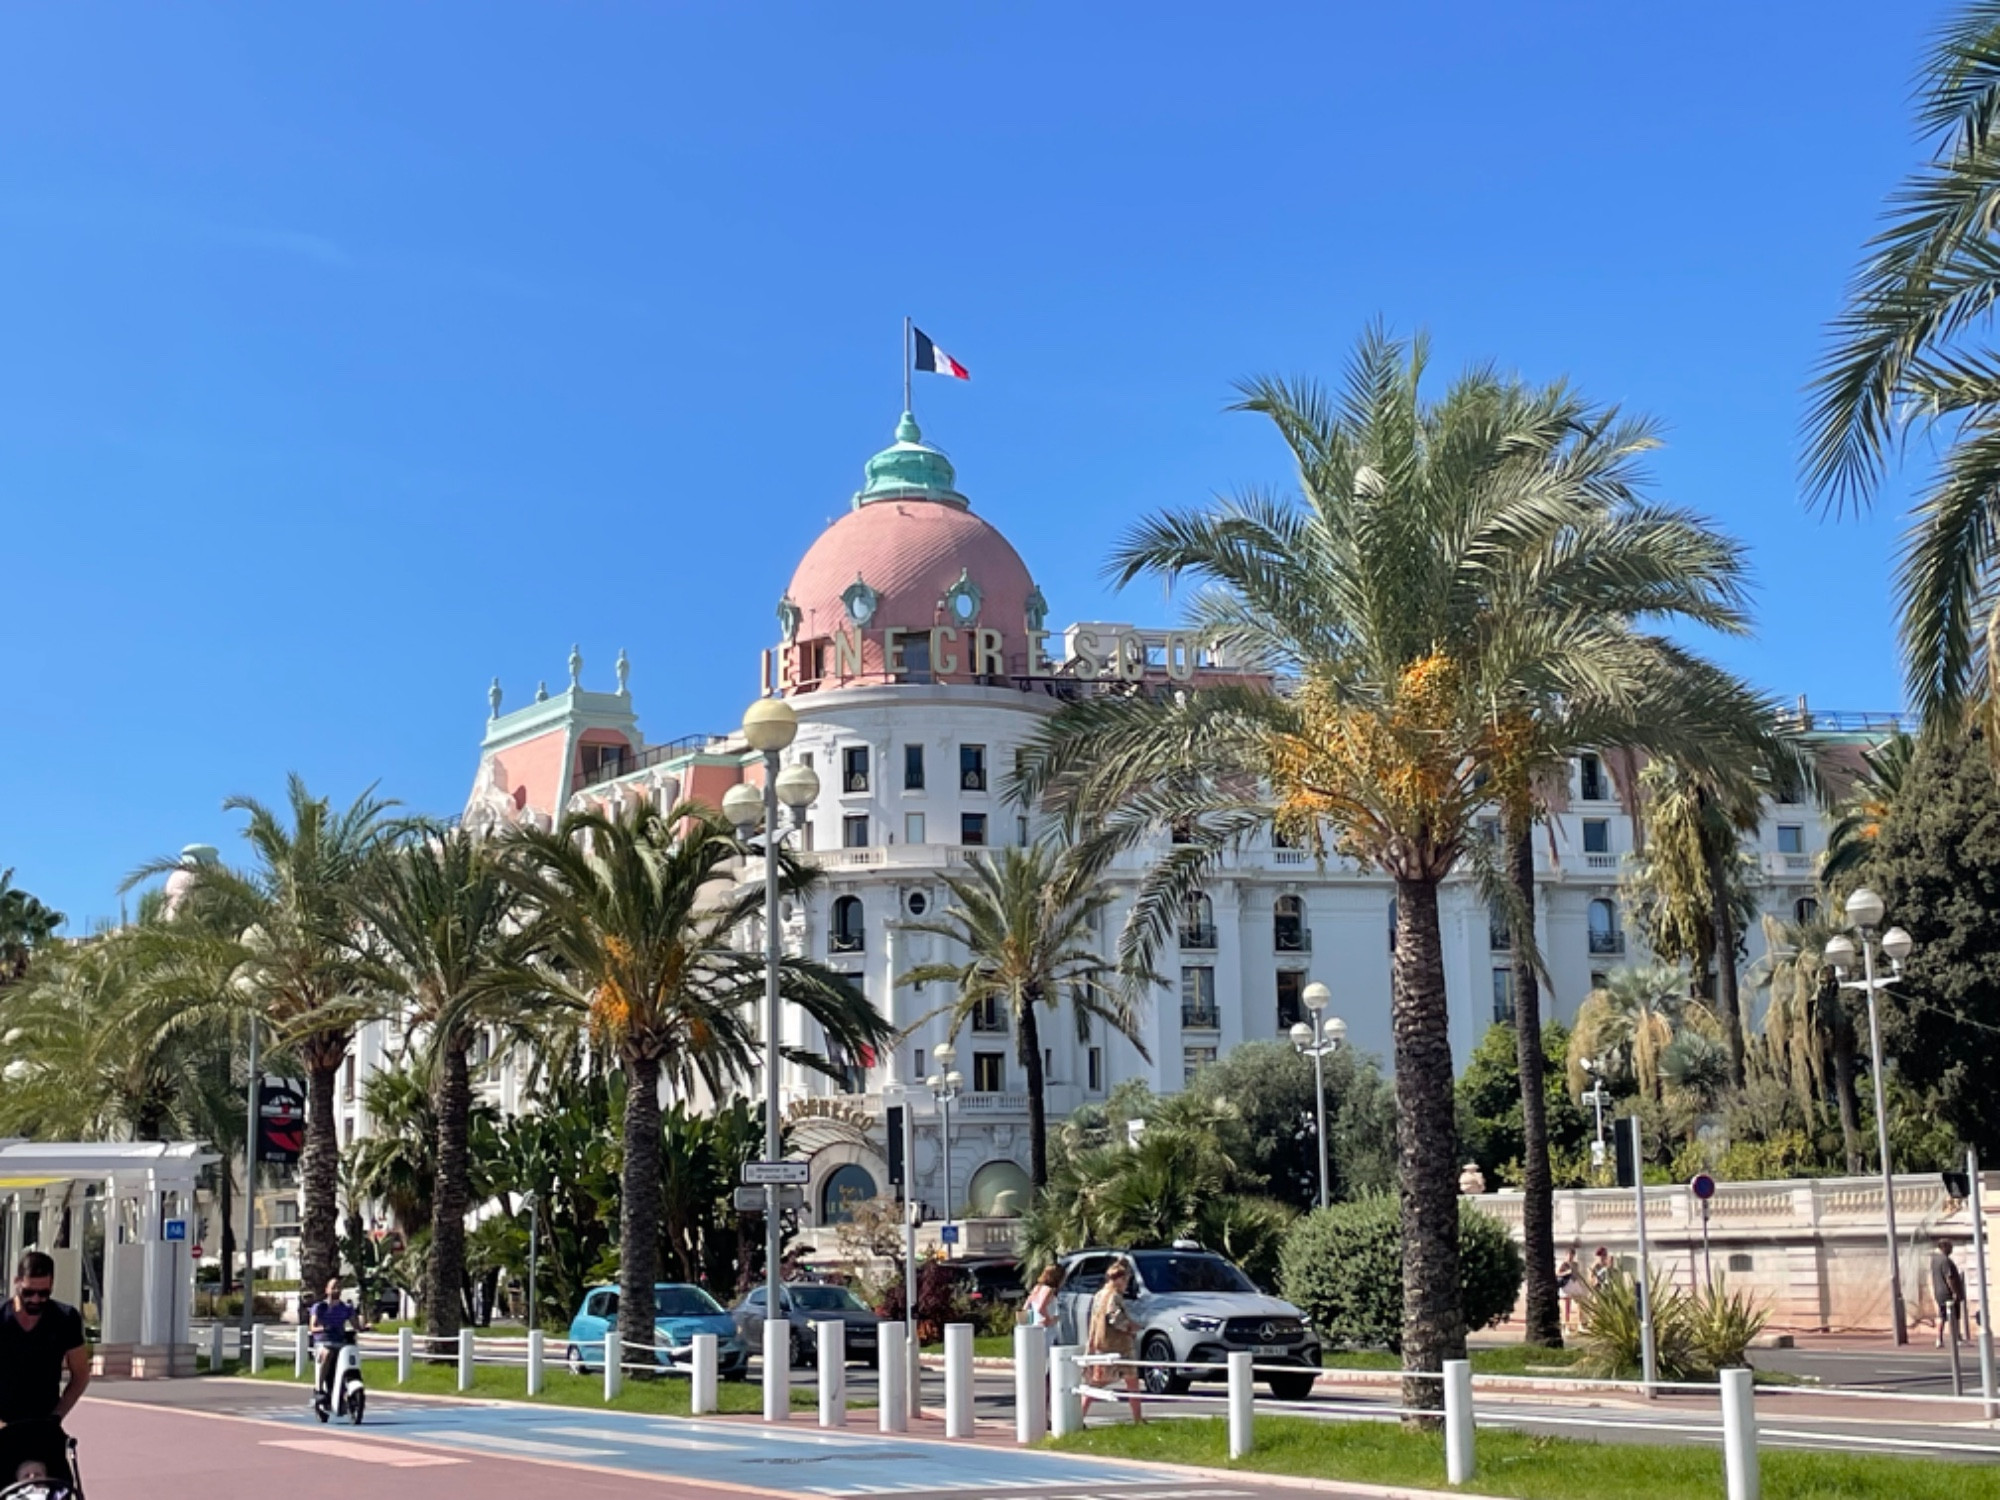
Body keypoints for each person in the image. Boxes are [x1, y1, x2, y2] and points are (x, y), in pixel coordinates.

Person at [0, 1251, 91, 1489]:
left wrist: (58, 1415)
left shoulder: (65, 1319)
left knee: (59, 1489)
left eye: (44, 1293)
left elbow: (81, 1374)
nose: (36, 1300)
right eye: (28, 1292)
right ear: (16, 1282)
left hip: (44, 1427)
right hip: (3, 1426)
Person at [1082, 1260, 1143, 1424]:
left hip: (1102, 1343)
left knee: (1098, 1383)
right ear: (1119, 1279)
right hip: (1118, 1345)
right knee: (1130, 1381)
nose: (1126, 1284)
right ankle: (1137, 1418)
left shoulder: (1099, 1295)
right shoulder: (1114, 1296)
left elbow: (1095, 1319)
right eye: (1125, 1280)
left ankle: (1079, 1416)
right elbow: (1114, 1318)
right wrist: (1130, 1328)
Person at [307, 1276, 365, 1412]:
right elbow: (313, 1327)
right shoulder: (320, 1307)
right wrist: (324, 1328)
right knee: (327, 1354)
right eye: (333, 1287)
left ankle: (346, 1388)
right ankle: (319, 1389)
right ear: (327, 1290)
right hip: (324, 1341)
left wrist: (364, 1327)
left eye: (338, 1287)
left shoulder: (346, 1308)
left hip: (340, 1342)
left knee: (349, 1355)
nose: (336, 1290)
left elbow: (356, 1325)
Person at [1932, 1239, 1969, 1350]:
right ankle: (1957, 1338)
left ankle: (1939, 1339)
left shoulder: (1935, 1260)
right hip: (1948, 1293)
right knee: (1954, 1315)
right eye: (1950, 1247)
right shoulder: (1945, 1261)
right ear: (1945, 1247)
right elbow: (1949, 1278)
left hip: (1939, 1292)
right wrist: (1955, 1292)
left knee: (1942, 1315)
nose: (1951, 1249)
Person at [1022, 1264, 1064, 1343]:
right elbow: (1041, 1308)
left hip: (1036, 1327)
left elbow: (1026, 1306)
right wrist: (1048, 1319)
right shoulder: (1049, 1290)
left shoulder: (1037, 1288)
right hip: (1047, 1328)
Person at [1556, 1248, 1582, 1332]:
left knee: (1579, 1303)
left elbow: (1577, 1274)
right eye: (1569, 1255)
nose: (1570, 1257)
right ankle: (1566, 1326)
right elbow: (1557, 1273)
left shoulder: (1575, 1264)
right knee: (1567, 1306)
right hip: (1566, 1284)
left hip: (1574, 1284)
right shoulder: (1563, 1264)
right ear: (1566, 1255)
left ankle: (1579, 1323)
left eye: (1572, 1255)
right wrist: (1566, 1272)